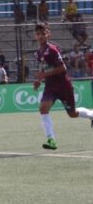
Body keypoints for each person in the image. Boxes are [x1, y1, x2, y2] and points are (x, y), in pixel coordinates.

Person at [33, 22, 93, 150]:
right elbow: (43, 70)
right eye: (38, 34)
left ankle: (91, 115)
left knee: (72, 113)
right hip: (50, 87)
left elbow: (62, 68)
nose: (41, 36)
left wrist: (44, 75)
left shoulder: (53, 50)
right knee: (43, 109)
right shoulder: (38, 53)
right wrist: (39, 80)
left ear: (48, 34)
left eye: (43, 33)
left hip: (63, 86)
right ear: (35, 36)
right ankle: (51, 140)